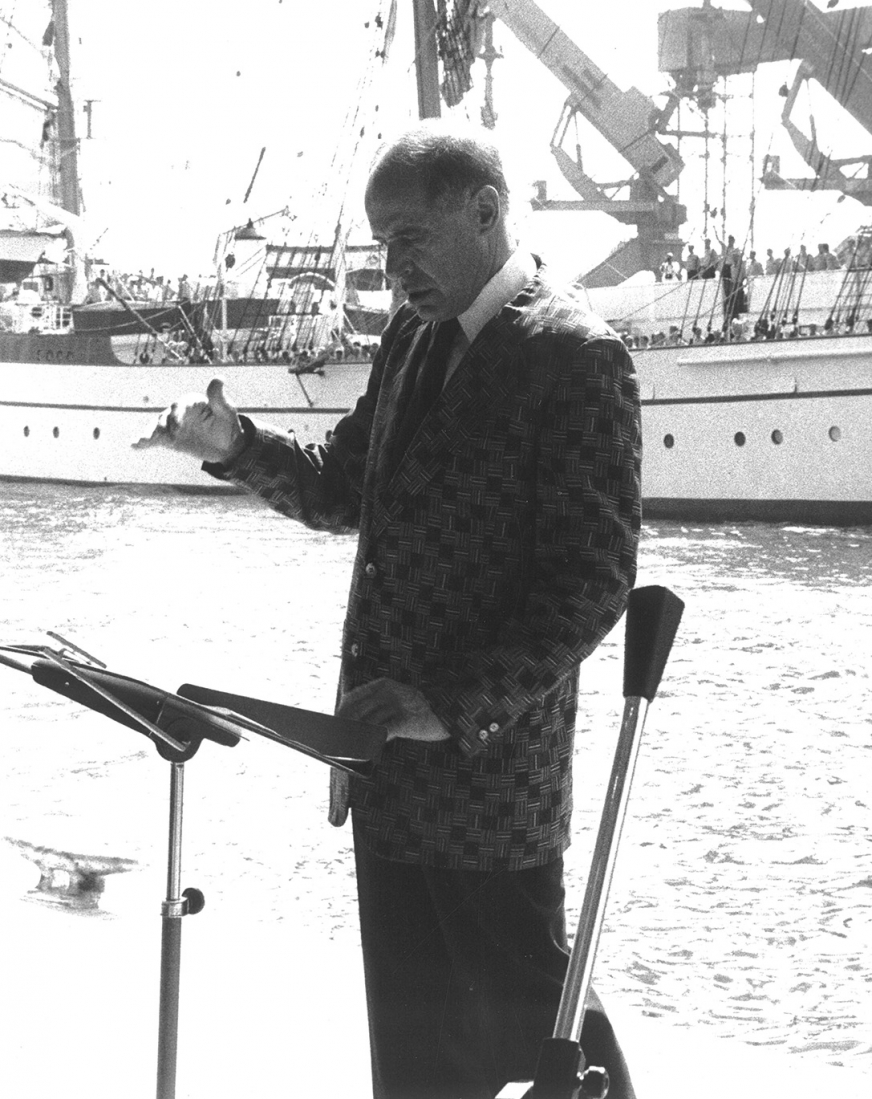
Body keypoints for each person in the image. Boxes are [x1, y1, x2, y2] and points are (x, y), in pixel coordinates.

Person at [134, 121, 642, 1099]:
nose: (392, 263)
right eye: (380, 242)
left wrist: (446, 704)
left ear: (486, 212)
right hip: (382, 770)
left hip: (491, 787)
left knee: (553, 1040)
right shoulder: (411, 336)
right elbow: (340, 489)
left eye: (409, 236)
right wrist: (234, 445)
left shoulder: (576, 357)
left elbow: (589, 580)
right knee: (415, 1066)